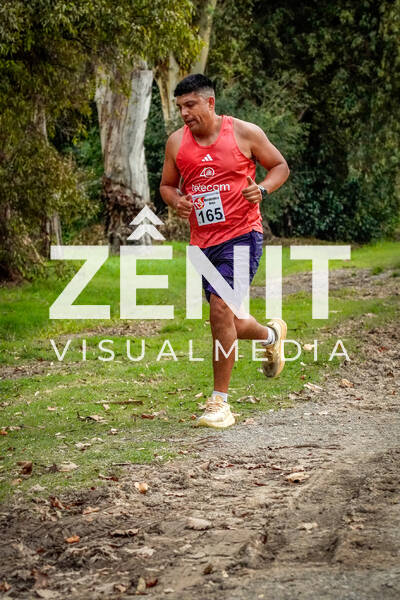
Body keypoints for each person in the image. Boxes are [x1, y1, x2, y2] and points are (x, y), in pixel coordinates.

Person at [160, 74, 290, 429]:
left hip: (242, 235)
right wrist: (176, 201)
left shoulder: (245, 133)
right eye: (180, 107)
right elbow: (167, 186)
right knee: (227, 321)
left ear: (210, 103)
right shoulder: (176, 143)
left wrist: (262, 189)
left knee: (219, 309)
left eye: (190, 105)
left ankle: (220, 403)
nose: (184, 113)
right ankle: (272, 336)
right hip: (203, 243)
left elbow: (279, 166)